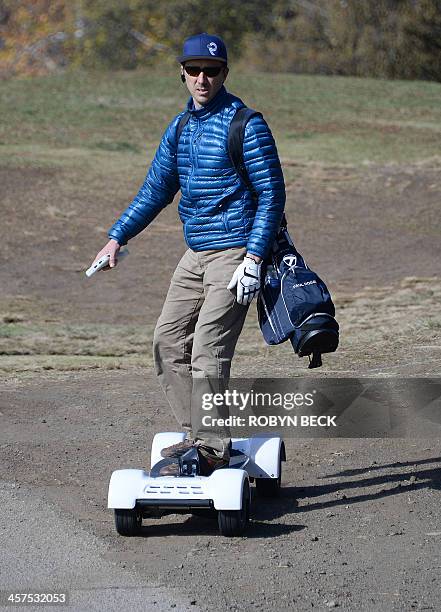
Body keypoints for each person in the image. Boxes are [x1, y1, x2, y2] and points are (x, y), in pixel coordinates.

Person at [92, 33, 286, 475]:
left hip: (236, 250)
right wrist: (117, 237)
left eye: (212, 71)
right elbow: (156, 189)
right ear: (182, 73)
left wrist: (253, 259)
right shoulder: (179, 128)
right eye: (194, 70)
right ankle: (199, 436)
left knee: (208, 350)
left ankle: (213, 449)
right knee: (166, 343)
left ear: (224, 74)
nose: (203, 78)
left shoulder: (246, 124)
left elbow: (272, 195)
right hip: (196, 251)